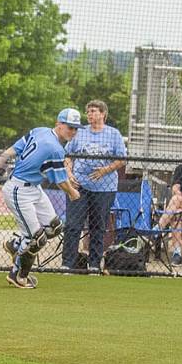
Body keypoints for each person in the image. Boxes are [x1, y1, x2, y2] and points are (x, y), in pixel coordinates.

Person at [0, 108, 81, 289]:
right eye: (69, 127)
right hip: (19, 191)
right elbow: (61, 182)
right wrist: (73, 193)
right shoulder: (55, 148)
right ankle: (18, 275)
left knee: (54, 227)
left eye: (76, 128)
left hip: (33, 188)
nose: (73, 132)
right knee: (36, 239)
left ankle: (15, 245)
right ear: (58, 124)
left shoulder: (40, 131)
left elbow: (14, 148)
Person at [62, 99, 127, 273]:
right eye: (88, 111)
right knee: (73, 225)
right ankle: (67, 263)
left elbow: (122, 159)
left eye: (93, 111)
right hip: (79, 185)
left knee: (98, 227)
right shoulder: (80, 132)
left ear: (103, 114)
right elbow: (67, 155)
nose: (90, 114)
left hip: (104, 188)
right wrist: (69, 173)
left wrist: (105, 170)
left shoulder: (113, 134)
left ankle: (94, 264)